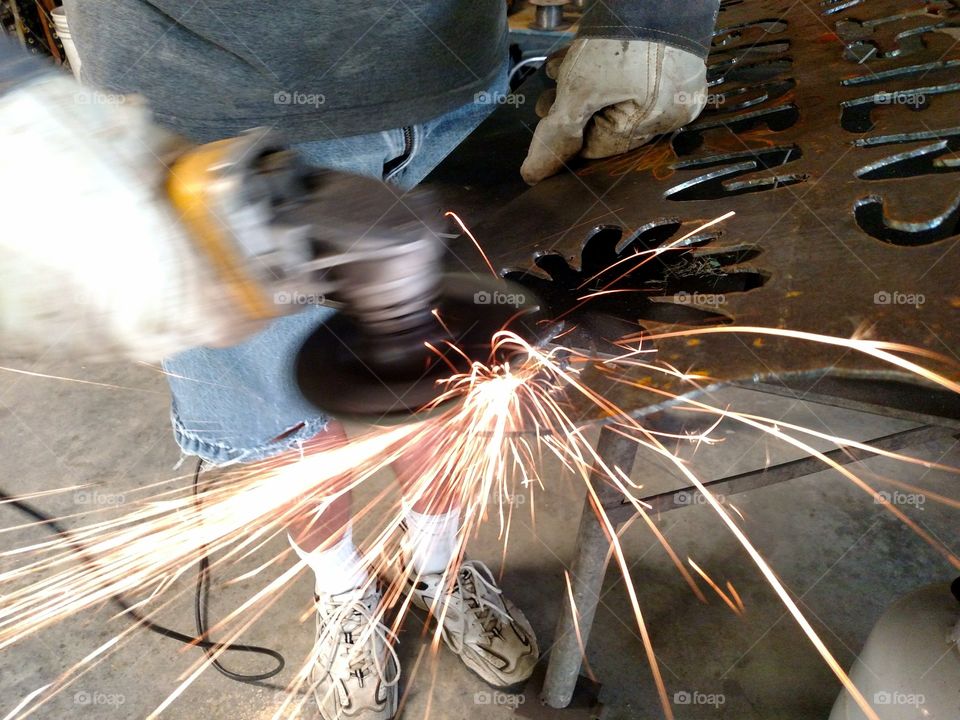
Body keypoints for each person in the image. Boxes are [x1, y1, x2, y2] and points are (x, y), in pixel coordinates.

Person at [3, 2, 719, 718]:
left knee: (453, 377)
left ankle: (439, 566)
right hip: (195, 108)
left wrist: (650, 15)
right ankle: (342, 586)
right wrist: (43, 140)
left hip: (451, 89)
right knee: (276, 417)